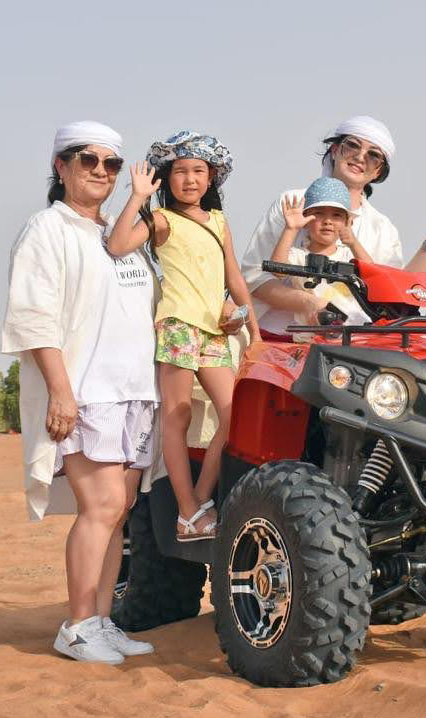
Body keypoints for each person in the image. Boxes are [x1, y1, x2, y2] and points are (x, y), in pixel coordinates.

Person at [2, 120, 157, 664]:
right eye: (87, 159)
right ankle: (76, 625)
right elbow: (33, 317)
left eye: (111, 163)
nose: (100, 171)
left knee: (120, 510)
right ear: (60, 166)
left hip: (137, 392)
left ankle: (101, 621)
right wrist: (60, 392)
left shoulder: (119, 231)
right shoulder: (47, 229)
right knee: (103, 505)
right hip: (88, 391)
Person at [107, 132, 259, 542]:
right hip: (177, 325)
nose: (189, 179)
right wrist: (138, 197)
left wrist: (254, 330)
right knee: (178, 417)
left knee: (233, 414)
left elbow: (234, 278)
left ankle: (198, 503)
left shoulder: (219, 222)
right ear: (166, 177)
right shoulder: (161, 220)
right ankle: (188, 509)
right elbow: (118, 244)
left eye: (198, 171)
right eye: (179, 171)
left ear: (211, 178)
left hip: (214, 332)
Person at [241, 115, 426, 338]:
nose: (360, 157)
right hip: (276, 340)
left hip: (349, 346)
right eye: (352, 145)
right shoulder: (293, 203)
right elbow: (254, 277)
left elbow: (396, 294)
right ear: (335, 150)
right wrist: (309, 303)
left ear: (378, 171)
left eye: (373, 155)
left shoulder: (382, 228)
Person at [270, 176, 373, 329]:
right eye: (319, 213)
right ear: (305, 220)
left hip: (353, 335)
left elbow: (373, 277)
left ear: (348, 222)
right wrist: (291, 229)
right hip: (310, 337)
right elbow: (276, 270)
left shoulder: (349, 255)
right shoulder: (299, 256)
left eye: (337, 215)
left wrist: (353, 243)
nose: (327, 221)